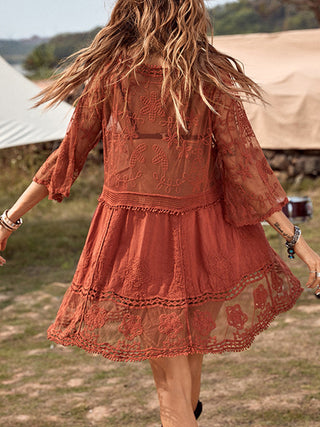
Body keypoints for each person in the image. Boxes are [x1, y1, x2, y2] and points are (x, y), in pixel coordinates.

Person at [1, 1, 319, 425]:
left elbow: (67, 156)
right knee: (184, 379)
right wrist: (300, 243)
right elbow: (245, 167)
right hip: (202, 237)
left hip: (138, 240)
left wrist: (8, 219)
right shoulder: (207, 73)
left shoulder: (114, 72)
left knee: (175, 389)